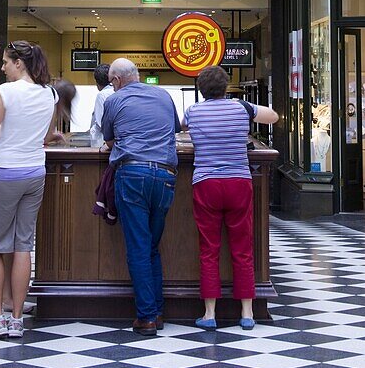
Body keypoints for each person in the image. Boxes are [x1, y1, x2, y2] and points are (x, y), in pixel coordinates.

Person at [0, 41, 57, 340]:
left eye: (7, 62)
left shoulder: (6, 92)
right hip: (36, 172)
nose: (3, 67)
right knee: (23, 245)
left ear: (19, 63)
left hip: (7, 172)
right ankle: (17, 319)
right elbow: (48, 135)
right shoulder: (50, 92)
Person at [183, 66, 278, 331]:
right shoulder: (241, 108)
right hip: (239, 182)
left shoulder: (193, 111)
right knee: (243, 248)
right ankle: (247, 312)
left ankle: (210, 313)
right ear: (225, 87)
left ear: (201, 89)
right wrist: (247, 108)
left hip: (206, 184)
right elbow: (273, 116)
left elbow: (178, 126)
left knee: (209, 249)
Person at [101, 58, 180, 336]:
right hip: (165, 175)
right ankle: (157, 311)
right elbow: (175, 129)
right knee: (151, 246)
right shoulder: (163, 94)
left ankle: (146, 317)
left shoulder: (114, 100)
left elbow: (109, 140)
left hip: (132, 174)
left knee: (138, 246)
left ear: (117, 81)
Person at [89, 64, 113, 147]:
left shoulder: (102, 95)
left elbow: (101, 122)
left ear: (97, 81)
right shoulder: (117, 91)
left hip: (102, 141)